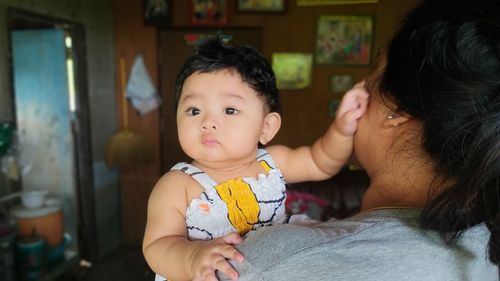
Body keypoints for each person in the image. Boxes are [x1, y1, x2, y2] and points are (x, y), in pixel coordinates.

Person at [216, 0, 500, 280]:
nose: (358, 88)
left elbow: (319, 158)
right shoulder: (486, 249)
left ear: (398, 111)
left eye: (374, 69)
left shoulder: (264, 262)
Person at [142, 36, 369, 281]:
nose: (207, 122)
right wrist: (192, 257)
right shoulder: (176, 185)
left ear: (266, 127)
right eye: (194, 110)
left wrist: (342, 129)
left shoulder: (272, 162)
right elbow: (157, 245)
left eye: (229, 110)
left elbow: (320, 161)